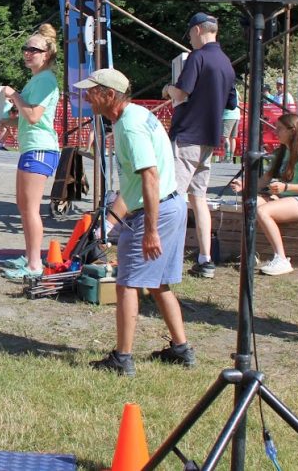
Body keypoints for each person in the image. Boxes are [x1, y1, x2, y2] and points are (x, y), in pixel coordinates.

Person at [79, 68, 193, 376]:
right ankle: (181, 349)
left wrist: (151, 231)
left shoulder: (129, 129)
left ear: (109, 95)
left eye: (92, 91)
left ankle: (122, 358)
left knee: (127, 284)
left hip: (155, 214)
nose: (87, 97)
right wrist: (109, 224)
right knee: (158, 284)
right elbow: (132, 186)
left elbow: (149, 177)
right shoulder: (134, 117)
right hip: (171, 207)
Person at [162, 12, 236, 279]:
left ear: (197, 31)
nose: (190, 40)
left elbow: (182, 93)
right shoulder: (227, 63)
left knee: (174, 197)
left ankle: (168, 256)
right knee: (199, 198)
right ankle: (205, 258)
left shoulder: (198, 57)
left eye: (190, 34)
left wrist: (169, 88)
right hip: (209, 139)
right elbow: (231, 103)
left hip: (188, 135)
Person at [0, 24, 61, 280]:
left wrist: (14, 95)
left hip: (40, 148)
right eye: (26, 48)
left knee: (30, 208)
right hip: (33, 147)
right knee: (24, 206)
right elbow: (28, 117)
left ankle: (35, 264)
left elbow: (34, 116)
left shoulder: (45, 80)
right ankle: (30, 256)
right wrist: (8, 122)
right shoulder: (38, 79)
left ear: (46, 54)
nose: (27, 53)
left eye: (33, 49)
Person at [229, 112, 298, 276]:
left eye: (280, 129)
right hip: (285, 198)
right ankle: (250, 253)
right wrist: (245, 185)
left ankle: (281, 259)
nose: (276, 132)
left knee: (263, 211)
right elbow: (265, 179)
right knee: (252, 203)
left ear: (292, 131)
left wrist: (285, 187)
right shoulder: (282, 152)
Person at [221, 87, 241, 163]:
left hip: (228, 115)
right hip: (236, 115)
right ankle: (231, 158)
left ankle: (227, 157)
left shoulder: (226, 89)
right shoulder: (235, 90)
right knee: (233, 138)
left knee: (225, 137)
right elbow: (240, 98)